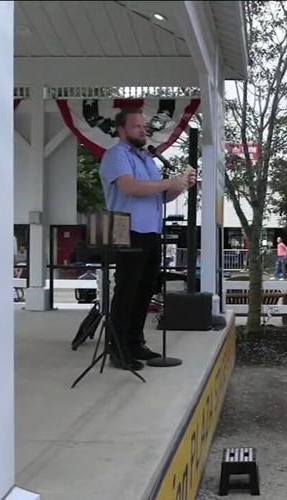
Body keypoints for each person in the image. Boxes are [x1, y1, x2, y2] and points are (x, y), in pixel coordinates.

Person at [99, 107, 196, 370]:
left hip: (150, 230)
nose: (143, 130)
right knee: (127, 289)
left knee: (144, 290)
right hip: (124, 227)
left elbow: (160, 196)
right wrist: (167, 183)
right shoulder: (116, 155)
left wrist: (179, 186)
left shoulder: (147, 158)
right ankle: (117, 348)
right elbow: (129, 187)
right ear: (122, 130)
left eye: (144, 126)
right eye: (136, 126)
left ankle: (134, 342)